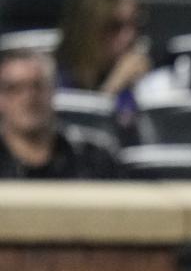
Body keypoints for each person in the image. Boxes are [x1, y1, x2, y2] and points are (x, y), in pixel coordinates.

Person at [55, 0, 152, 145]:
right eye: (115, 26)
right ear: (87, 29)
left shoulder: (143, 75)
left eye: (135, 24)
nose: (130, 37)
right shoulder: (56, 78)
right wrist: (112, 89)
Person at [0, 50, 123, 179]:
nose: (29, 98)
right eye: (14, 88)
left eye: (37, 86)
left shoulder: (94, 158)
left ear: (53, 90)